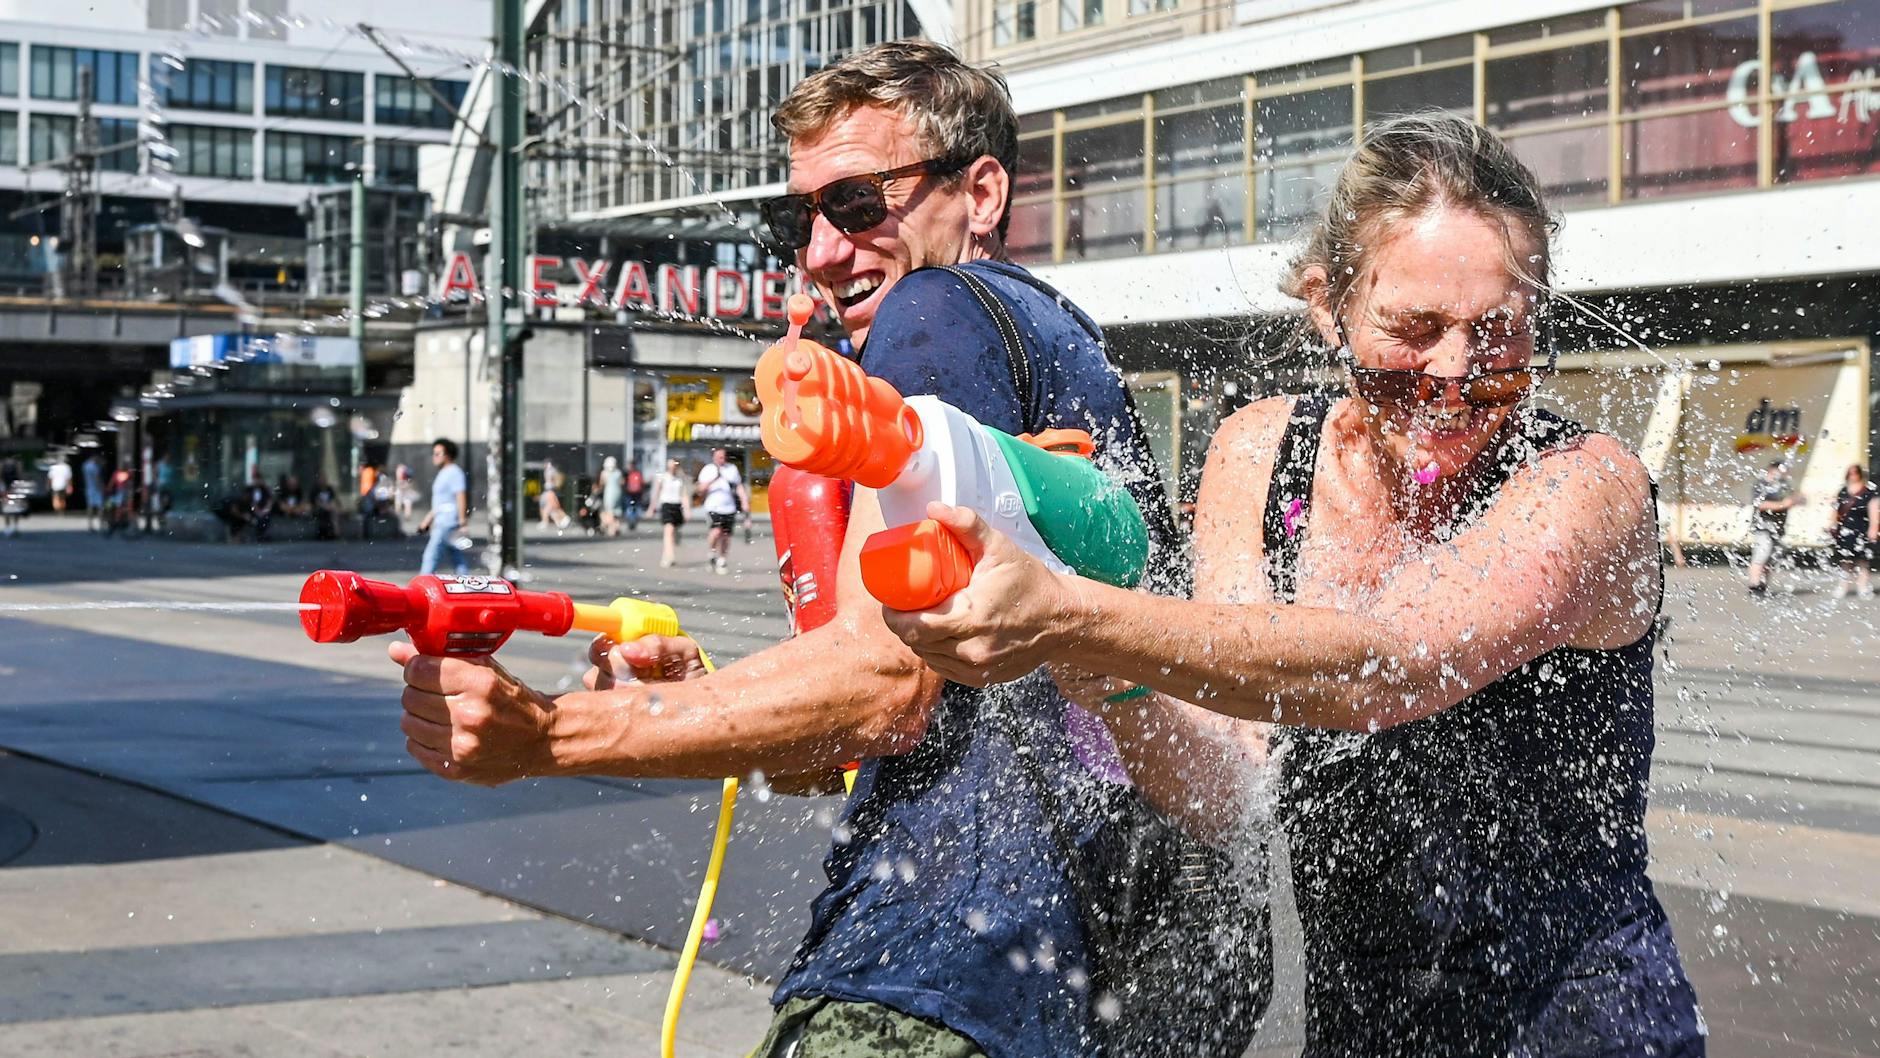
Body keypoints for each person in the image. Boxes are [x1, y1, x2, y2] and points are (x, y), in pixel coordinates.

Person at [384, 41, 1262, 1058]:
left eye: (854, 204)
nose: (819, 251)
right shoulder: (1052, 333)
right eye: (795, 216)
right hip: (1091, 985)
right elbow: (912, 713)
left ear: (979, 192)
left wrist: (549, 734)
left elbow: (880, 688)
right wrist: (705, 693)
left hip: (941, 973)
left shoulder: (936, 312)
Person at [884, 114, 1705, 1057]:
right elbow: (1227, 789)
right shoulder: (1260, 454)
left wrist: (1078, 615)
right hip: (1360, 1031)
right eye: (1416, 328)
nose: (1454, 370)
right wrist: (1098, 669)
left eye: (1500, 332)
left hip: (1581, 1030)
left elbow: (1387, 666)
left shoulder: (1585, 484)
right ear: (1329, 303)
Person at [1747, 460, 1801, 596]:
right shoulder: (1762, 484)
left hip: (1777, 527)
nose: (1784, 473)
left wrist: (1796, 499)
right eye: (1781, 470)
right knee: (1762, 553)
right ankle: (1754, 584)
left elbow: (1793, 499)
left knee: (1771, 557)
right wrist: (1783, 505)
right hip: (1763, 526)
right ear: (1772, 470)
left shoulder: (1783, 485)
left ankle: (1763, 585)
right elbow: (1760, 504)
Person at [418, 438, 470, 576]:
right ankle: (467, 584)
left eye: (437, 454)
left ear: (447, 455)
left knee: (431, 555)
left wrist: (462, 520)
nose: (434, 457)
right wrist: (427, 521)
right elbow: (439, 503)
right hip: (442, 520)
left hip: (447, 522)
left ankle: (422, 586)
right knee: (456, 556)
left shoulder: (454, 472)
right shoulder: (443, 473)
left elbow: (460, 495)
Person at [695, 447, 748, 574]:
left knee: (726, 535)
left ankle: (722, 560)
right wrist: (714, 479)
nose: (722, 459)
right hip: (713, 507)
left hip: (729, 507)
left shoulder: (732, 469)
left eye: (723, 457)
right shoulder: (708, 469)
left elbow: (738, 486)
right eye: (719, 457)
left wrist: (744, 501)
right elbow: (700, 489)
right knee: (716, 532)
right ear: (714, 457)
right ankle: (712, 552)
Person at [1832, 464, 1877, 599]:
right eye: (1849, 473)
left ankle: (1862, 587)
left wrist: (1873, 528)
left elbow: (1874, 510)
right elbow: (1835, 508)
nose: (1852, 476)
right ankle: (1842, 586)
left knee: (1862, 561)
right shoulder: (1843, 491)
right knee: (1845, 560)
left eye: (1855, 473)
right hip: (1845, 528)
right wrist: (1832, 524)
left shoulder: (1868, 491)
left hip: (1861, 528)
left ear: (1860, 474)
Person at [651, 457, 687, 567]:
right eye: (669, 466)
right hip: (666, 505)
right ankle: (670, 556)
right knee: (668, 530)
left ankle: (665, 554)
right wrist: (652, 507)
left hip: (677, 506)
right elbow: (657, 493)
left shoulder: (680, 479)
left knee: (673, 532)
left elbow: (683, 495)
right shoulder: (662, 477)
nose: (671, 468)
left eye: (674, 466)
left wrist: (687, 509)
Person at [539, 459, 572, 530]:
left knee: (553, 506)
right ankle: (558, 521)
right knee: (550, 508)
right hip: (550, 490)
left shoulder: (550, 471)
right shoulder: (552, 470)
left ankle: (564, 518)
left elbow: (552, 481)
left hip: (550, 490)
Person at [597, 455, 625, 537]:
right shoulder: (618, 472)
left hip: (609, 494)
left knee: (609, 512)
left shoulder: (604, 473)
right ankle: (616, 527)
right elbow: (622, 482)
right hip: (618, 493)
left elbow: (601, 484)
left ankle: (610, 528)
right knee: (616, 512)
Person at [81, 452, 105, 531]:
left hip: (89, 488)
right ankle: (101, 525)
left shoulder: (85, 465)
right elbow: (97, 478)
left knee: (90, 507)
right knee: (100, 507)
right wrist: (102, 487)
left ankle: (90, 525)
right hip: (96, 489)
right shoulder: (95, 467)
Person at [624, 460, 646, 531]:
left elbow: (642, 483)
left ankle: (633, 522)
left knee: (634, 508)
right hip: (629, 494)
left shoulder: (637, 473)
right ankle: (631, 522)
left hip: (636, 494)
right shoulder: (627, 473)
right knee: (630, 508)